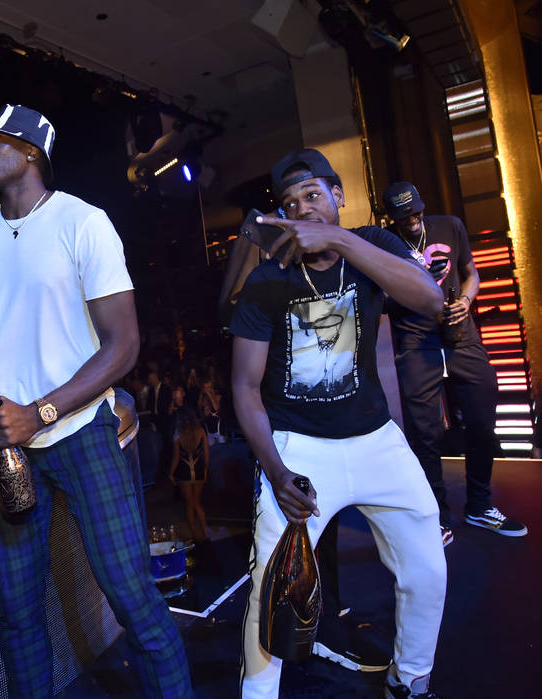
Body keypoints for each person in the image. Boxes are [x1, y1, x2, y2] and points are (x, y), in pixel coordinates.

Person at [0, 103, 193, 698]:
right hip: (3, 443)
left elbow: (124, 343)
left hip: (80, 432)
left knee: (130, 593)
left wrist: (43, 412)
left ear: (31, 151)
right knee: (18, 611)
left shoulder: (84, 222)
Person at [231, 148, 447, 699]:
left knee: (427, 567)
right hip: (298, 448)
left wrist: (343, 240)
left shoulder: (372, 245)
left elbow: (431, 301)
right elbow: (244, 388)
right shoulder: (266, 282)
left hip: (376, 438)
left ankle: (410, 677)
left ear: (338, 197)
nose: (304, 209)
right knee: (271, 594)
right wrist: (276, 472)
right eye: (290, 203)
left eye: (313, 196)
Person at [382, 181, 527, 544]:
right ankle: (436, 518)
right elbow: (379, 298)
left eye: (416, 211)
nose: (413, 220)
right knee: (425, 435)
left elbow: (471, 274)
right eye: (404, 216)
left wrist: (465, 300)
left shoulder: (449, 226)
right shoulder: (384, 243)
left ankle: (479, 506)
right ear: (392, 218)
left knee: (481, 422)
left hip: (462, 337)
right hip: (416, 343)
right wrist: (412, 288)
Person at [168, 405, 210, 543]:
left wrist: (171, 473)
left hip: (184, 472)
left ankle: (194, 535)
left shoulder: (178, 434)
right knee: (197, 503)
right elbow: (206, 453)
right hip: (198, 469)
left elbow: (176, 458)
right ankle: (205, 532)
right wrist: (205, 470)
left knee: (189, 504)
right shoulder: (201, 431)